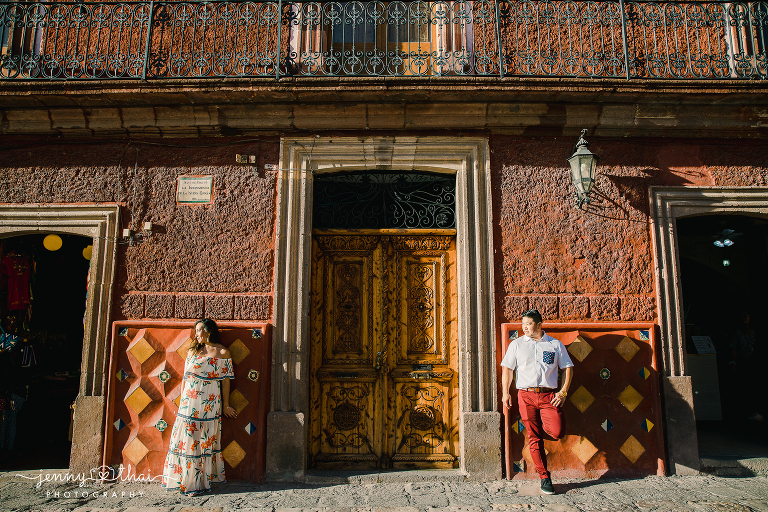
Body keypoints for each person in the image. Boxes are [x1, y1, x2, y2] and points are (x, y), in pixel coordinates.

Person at [500, 309, 574, 495]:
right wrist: (505, 393)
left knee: (557, 431)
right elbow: (508, 369)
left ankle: (540, 431)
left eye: (529, 324)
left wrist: (563, 392)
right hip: (525, 395)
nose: (525, 327)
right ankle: (544, 477)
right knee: (534, 437)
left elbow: (567, 368)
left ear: (539, 325)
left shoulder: (554, 345)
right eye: (523, 323)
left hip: (549, 395)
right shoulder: (516, 345)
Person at [162, 318, 237, 496]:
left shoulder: (223, 352)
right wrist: (182, 403)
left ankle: (200, 481)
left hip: (209, 403)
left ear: (208, 331)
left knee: (204, 440)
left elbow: (225, 381)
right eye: (195, 331)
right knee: (189, 440)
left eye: (198, 330)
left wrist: (226, 405)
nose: (195, 334)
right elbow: (185, 378)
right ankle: (188, 482)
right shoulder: (192, 350)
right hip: (189, 403)